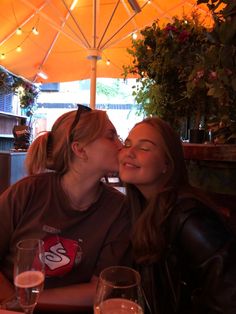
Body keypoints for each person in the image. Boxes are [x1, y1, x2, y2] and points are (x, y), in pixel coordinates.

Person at [0, 105, 131, 312]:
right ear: (80, 149)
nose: (122, 146)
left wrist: (25, 300)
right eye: (111, 136)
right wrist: (11, 303)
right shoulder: (27, 193)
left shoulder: (118, 209)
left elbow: (99, 289)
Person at [119, 116, 236, 314]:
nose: (129, 152)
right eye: (127, 144)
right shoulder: (138, 207)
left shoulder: (191, 219)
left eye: (145, 147)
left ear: (167, 163)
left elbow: (229, 298)